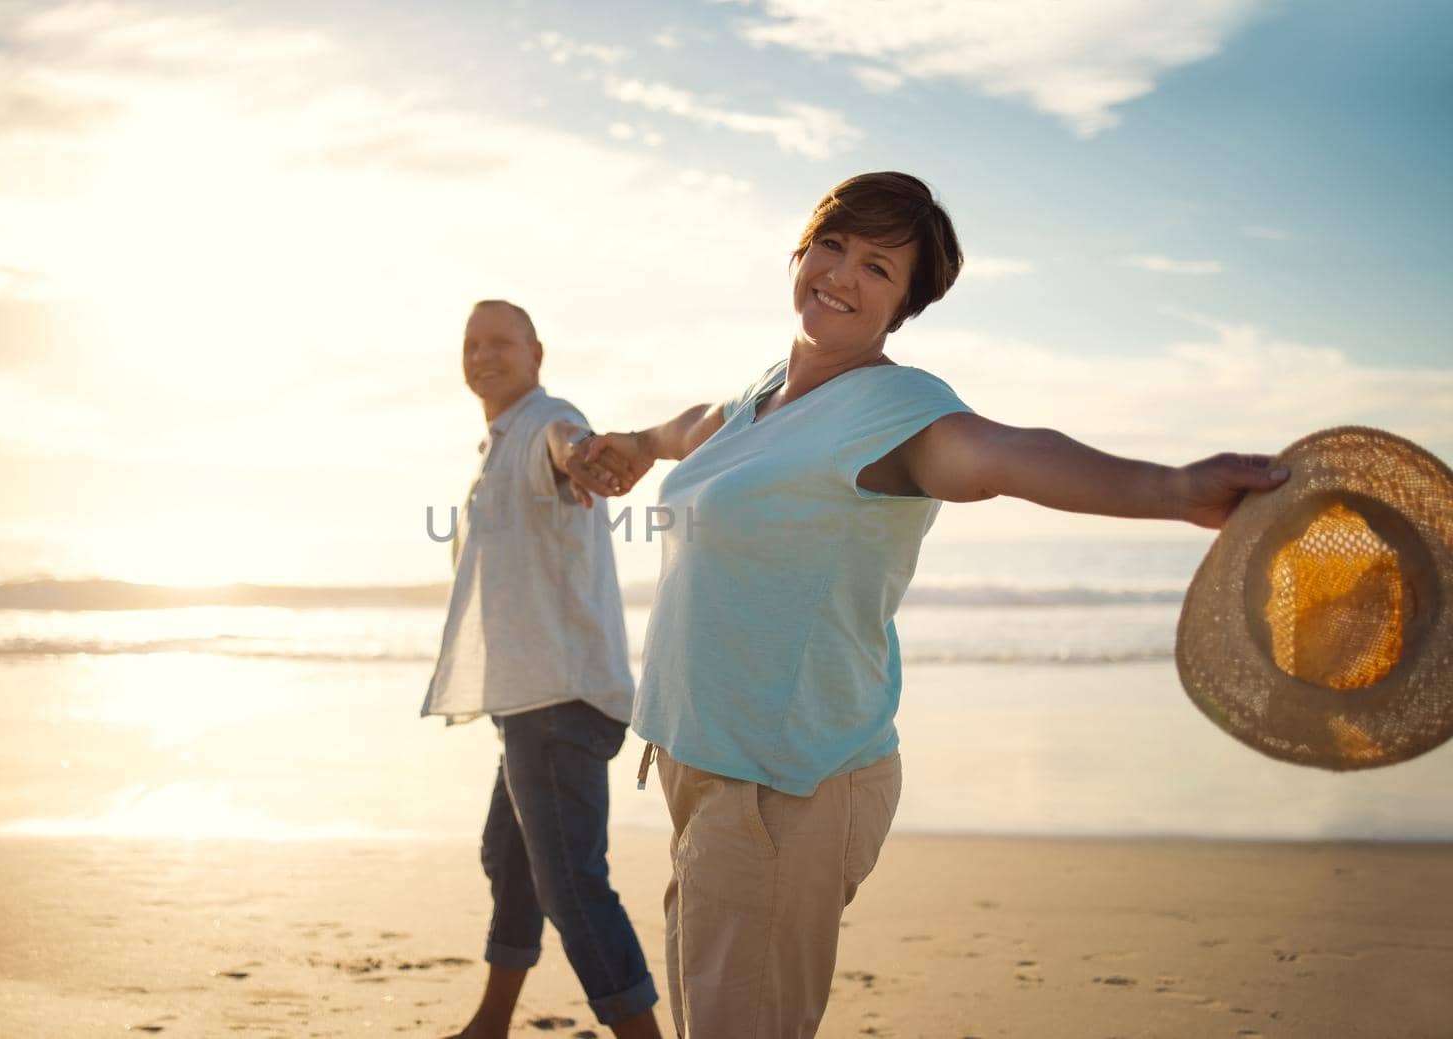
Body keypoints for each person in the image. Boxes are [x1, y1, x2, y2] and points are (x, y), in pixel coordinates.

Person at [579, 172, 1290, 1038]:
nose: (842, 273)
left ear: (903, 305)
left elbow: (1005, 455)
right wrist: (635, 445)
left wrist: (1172, 487)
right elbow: (692, 425)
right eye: (833, 245)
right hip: (708, 769)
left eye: (879, 267)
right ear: (800, 251)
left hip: (784, 788)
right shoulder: (763, 398)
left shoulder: (898, 410)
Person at [424, 300, 661, 1039]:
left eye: (501, 341)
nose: (483, 354)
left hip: (561, 699)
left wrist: (583, 453)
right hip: (530, 699)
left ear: (536, 352)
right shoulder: (496, 443)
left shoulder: (545, 421)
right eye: (472, 342)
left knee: (572, 883)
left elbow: (567, 443)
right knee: (514, 857)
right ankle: (491, 1022)